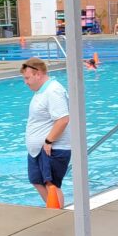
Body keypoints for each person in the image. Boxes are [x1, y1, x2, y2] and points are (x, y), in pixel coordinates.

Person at [21, 57, 71, 208]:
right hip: (38, 150)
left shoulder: (53, 91)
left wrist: (49, 141)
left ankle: (58, 214)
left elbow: (63, 119)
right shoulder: (41, 91)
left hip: (52, 148)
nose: (25, 82)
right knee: (36, 181)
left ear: (38, 74)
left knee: (51, 184)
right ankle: (53, 210)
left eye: (27, 78)